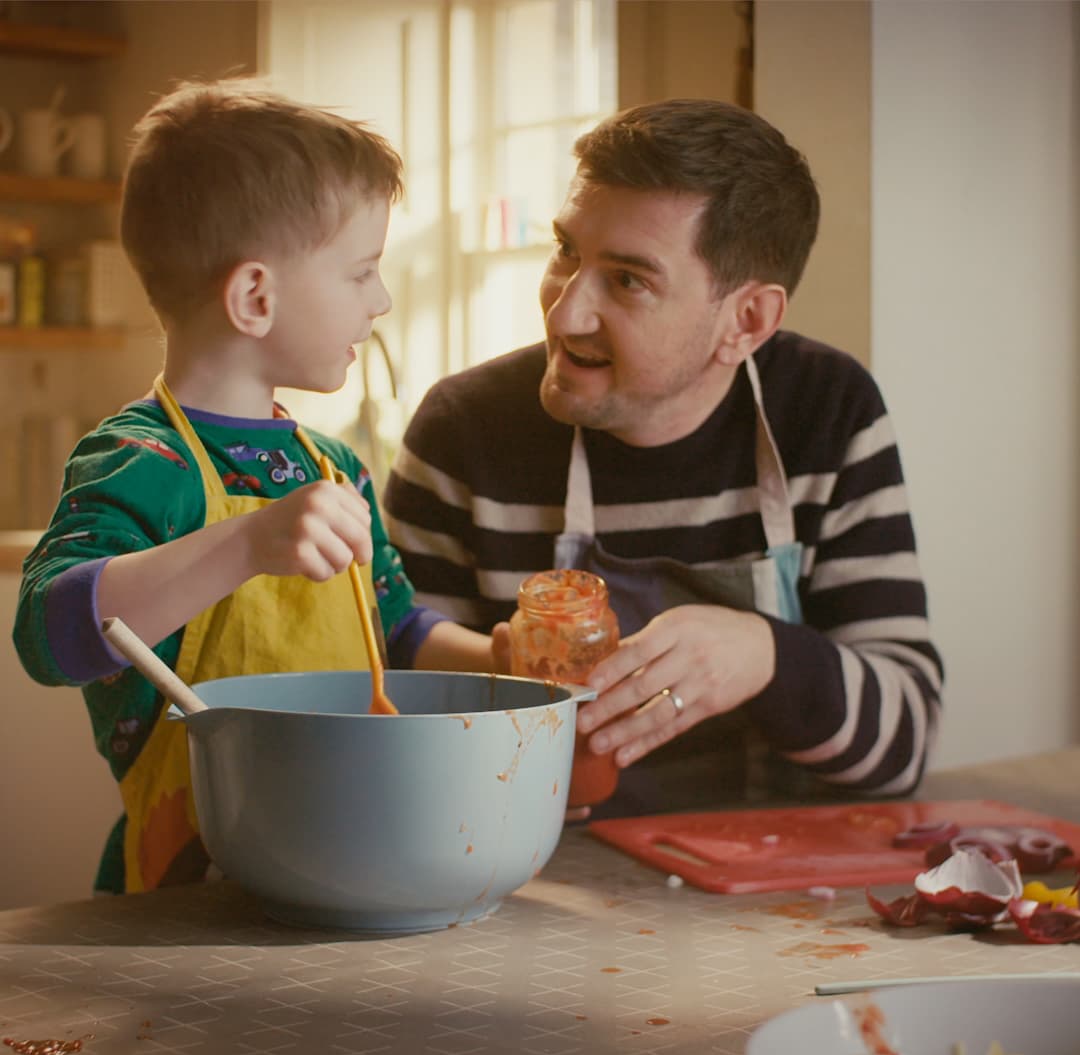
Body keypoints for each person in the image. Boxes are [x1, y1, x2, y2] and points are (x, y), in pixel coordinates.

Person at [383, 98, 944, 818]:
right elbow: (391, 715)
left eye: (628, 280)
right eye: (565, 252)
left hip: (772, 894)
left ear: (747, 321)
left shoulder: (828, 412)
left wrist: (765, 658)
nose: (564, 313)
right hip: (535, 884)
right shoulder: (464, 430)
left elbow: (906, 747)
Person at [12, 78, 500, 894]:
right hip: (188, 901)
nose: (380, 301)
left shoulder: (333, 467)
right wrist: (245, 542)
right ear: (254, 297)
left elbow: (399, 630)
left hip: (351, 860)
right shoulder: (143, 460)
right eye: (361, 272)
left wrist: (505, 664)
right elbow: (47, 635)